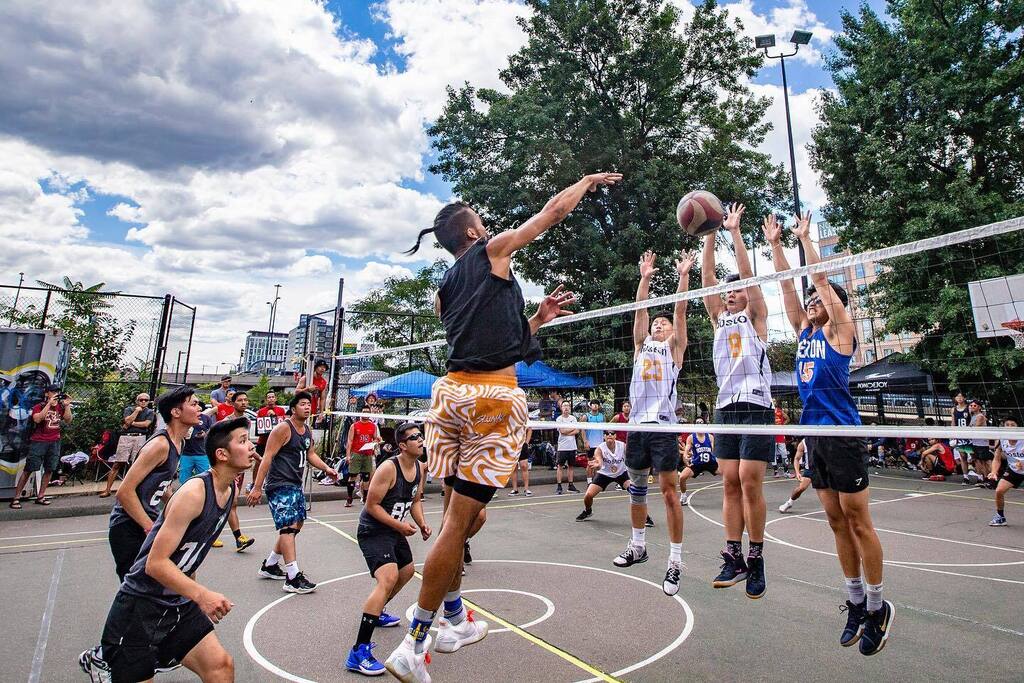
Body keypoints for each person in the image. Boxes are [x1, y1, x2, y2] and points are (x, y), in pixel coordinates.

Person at [385, 172, 619, 681]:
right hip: (491, 398)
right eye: (482, 223)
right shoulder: (490, 251)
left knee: (463, 517)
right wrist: (585, 181)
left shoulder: (444, 290)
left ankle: (451, 617)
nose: (488, 227)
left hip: (450, 395)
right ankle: (416, 642)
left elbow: (494, 338)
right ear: (473, 234)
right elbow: (551, 213)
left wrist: (536, 319)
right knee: (456, 523)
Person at [767, 210, 894, 656]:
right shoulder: (804, 332)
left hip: (843, 436)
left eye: (818, 299)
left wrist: (806, 241)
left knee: (859, 521)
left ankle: (878, 607)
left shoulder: (841, 333)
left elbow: (818, 281)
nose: (810, 302)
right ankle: (856, 601)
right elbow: (787, 285)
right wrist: (778, 245)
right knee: (836, 522)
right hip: (816, 436)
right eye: (810, 301)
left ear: (832, 303)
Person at [79, 416, 254, 683]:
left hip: (176, 603)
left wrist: (191, 595)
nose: (251, 446)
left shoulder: (228, 491)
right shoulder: (194, 493)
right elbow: (155, 563)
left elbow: (190, 556)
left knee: (220, 667)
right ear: (222, 454)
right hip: (140, 606)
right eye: (243, 441)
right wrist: (202, 595)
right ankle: (102, 660)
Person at [612, 249, 694, 601]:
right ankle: (638, 545)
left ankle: (675, 560)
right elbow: (640, 311)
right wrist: (644, 278)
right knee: (637, 490)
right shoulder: (640, 347)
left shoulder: (674, 349)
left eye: (664, 324)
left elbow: (679, 310)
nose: (658, 325)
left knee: (669, 493)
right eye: (656, 324)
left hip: (663, 426)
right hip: (637, 427)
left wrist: (683, 277)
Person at [702, 203, 773, 599]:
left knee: (749, 480)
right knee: (729, 481)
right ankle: (734, 556)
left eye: (737, 289)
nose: (732, 293)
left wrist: (734, 231)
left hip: (757, 405)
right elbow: (709, 276)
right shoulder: (718, 318)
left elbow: (748, 274)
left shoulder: (756, 317)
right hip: (725, 406)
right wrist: (710, 231)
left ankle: (757, 556)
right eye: (728, 291)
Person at [346, 422, 431, 675]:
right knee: (388, 578)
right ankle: (358, 652)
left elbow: (415, 500)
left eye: (421, 436)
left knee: (406, 572)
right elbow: (371, 505)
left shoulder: (419, 467)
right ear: (402, 445)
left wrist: (422, 524)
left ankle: (377, 611)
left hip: (395, 529)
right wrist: (399, 525)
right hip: (374, 530)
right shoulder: (388, 468)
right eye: (414, 437)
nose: (420, 440)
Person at [107, 387, 200, 581]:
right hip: (129, 526)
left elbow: (162, 485)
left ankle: (190, 607)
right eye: (193, 404)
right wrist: (150, 528)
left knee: (184, 570)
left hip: (149, 521)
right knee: (138, 591)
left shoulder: (179, 442)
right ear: (176, 412)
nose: (199, 408)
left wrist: (178, 505)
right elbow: (124, 492)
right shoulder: (159, 445)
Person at [248, 391, 337, 593]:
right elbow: (267, 457)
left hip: (295, 485)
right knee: (288, 527)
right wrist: (256, 486)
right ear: (293, 407)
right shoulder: (282, 429)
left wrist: (327, 469)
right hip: (280, 484)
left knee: (296, 525)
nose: (307, 407)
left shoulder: (306, 430)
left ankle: (270, 565)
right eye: (303, 404)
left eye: (309, 404)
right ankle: (293, 577)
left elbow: (311, 454)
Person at [9, 383, 72, 508]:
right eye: (53, 392)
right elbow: (38, 419)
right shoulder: (39, 406)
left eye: (57, 392)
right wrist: (49, 404)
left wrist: (67, 405)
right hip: (39, 441)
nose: (55, 394)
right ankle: (16, 497)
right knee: (29, 469)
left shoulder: (61, 407)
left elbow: (68, 420)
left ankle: (41, 496)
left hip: (54, 441)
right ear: (47, 393)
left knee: (49, 469)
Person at [217, 392, 256, 551]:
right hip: (227, 468)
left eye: (246, 400)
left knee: (230, 504)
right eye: (240, 400)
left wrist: (259, 458)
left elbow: (246, 444)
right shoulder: (226, 422)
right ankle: (238, 537)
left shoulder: (247, 422)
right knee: (229, 502)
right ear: (232, 403)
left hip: (239, 470)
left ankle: (237, 538)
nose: (244, 402)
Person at [99, 393, 155, 499]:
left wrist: (131, 423)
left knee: (136, 464)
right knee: (118, 463)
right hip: (126, 437)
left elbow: (146, 424)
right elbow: (127, 420)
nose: (143, 402)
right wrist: (137, 411)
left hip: (140, 437)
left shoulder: (150, 412)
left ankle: (133, 490)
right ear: (137, 400)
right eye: (141, 400)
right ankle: (107, 490)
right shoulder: (129, 409)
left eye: (146, 400)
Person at [576, 430, 629, 521]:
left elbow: (632, 456)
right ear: (604, 437)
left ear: (615, 436)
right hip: (604, 474)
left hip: (621, 473)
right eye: (607, 433)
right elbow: (599, 462)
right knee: (588, 496)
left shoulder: (623, 446)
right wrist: (597, 465)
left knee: (635, 492)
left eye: (612, 433)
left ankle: (645, 517)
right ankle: (588, 511)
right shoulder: (600, 449)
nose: (609, 435)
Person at [988, 418, 1022, 527]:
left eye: (1013, 424)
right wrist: (994, 471)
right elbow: (997, 459)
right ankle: (1000, 517)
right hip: (1013, 470)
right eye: (1007, 424)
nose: (1010, 427)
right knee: (999, 491)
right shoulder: (1001, 439)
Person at [346, 406, 382, 506]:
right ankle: (349, 498)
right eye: (364, 411)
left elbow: (375, 439)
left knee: (366, 476)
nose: (365, 414)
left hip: (367, 454)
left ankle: (365, 498)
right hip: (356, 453)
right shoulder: (355, 426)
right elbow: (349, 441)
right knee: (353, 475)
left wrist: (377, 441)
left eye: (367, 412)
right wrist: (348, 455)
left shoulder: (373, 426)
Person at [678, 419, 718, 507]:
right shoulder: (691, 437)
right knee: (682, 477)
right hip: (697, 463)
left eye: (701, 423)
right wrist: (685, 455)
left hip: (710, 462)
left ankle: (733, 495)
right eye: (698, 423)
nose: (700, 425)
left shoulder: (710, 437)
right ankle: (683, 496)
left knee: (729, 473)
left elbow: (712, 450)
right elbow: (687, 448)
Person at [179, 406, 215, 485]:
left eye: (199, 409)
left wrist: (204, 434)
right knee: (184, 480)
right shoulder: (184, 417)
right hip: (185, 454)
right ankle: (184, 495)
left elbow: (211, 431)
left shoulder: (206, 418)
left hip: (202, 453)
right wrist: (183, 433)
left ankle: (203, 495)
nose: (198, 410)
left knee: (205, 478)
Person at [555, 400, 581, 494]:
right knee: (560, 466)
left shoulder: (573, 418)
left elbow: (577, 430)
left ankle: (570, 485)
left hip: (572, 447)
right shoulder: (559, 419)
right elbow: (562, 431)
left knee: (571, 466)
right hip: (562, 447)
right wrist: (571, 429)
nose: (566, 408)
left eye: (568, 406)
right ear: (561, 408)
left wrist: (568, 431)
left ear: (570, 408)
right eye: (564, 406)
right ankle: (559, 485)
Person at [950, 391, 976, 483]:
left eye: (961, 396)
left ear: (964, 398)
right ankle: (965, 477)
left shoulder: (968, 408)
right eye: (957, 396)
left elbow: (974, 418)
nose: (959, 398)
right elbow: (953, 422)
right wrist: (953, 434)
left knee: (973, 455)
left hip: (969, 437)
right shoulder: (954, 409)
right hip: (960, 436)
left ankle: (979, 474)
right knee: (962, 456)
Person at [779, 439, 811, 513]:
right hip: (810, 470)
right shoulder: (804, 443)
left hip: (824, 469)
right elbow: (797, 459)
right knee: (801, 488)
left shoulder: (825, 439)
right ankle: (789, 502)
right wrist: (797, 472)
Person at [968, 399, 993, 482]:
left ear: (979, 407)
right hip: (976, 442)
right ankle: (985, 477)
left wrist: (970, 428)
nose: (972, 407)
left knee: (986, 461)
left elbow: (975, 428)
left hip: (982, 442)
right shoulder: (973, 416)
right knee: (979, 461)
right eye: (971, 405)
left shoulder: (980, 416)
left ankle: (992, 477)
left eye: (974, 405)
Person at [255, 391, 286, 457]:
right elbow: (258, 427)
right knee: (259, 462)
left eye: (272, 397)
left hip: (277, 442)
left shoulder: (281, 410)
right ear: (266, 400)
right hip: (263, 442)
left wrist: (274, 416)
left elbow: (283, 425)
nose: (271, 399)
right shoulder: (261, 411)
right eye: (269, 397)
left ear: (275, 399)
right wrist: (266, 417)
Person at [508, 427, 532, 496]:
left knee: (524, 466)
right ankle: (515, 489)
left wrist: (526, 442)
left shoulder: (523, 418)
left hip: (522, 445)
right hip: (512, 445)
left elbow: (529, 429)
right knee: (513, 468)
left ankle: (526, 489)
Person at [772, 400, 792, 478]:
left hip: (780, 434)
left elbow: (788, 418)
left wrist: (782, 425)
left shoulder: (780, 411)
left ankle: (786, 471)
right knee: (773, 454)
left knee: (784, 453)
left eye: (774, 401)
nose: (774, 402)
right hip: (772, 434)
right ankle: (776, 472)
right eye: (772, 401)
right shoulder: (769, 411)